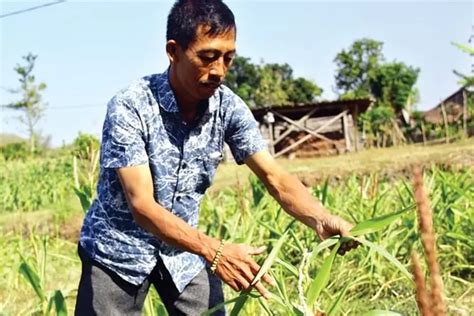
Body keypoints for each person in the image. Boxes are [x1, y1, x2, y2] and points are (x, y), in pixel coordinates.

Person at [75, 0, 357, 315]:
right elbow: (141, 205)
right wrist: (215, 251)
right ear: (174, 50)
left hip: (184, 250)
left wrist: (320, 218)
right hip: (118, 251)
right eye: (207, 57)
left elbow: (274, 176)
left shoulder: (228, 108)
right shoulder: (131, 106)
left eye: (228, 58)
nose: (219, 71)